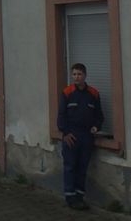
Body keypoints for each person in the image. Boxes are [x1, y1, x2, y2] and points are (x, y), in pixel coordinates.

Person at [56, 63, 104, 211]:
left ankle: (79, 197)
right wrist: (65, 133)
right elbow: (61, 115)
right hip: (71, 135)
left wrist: (97, 127)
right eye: (74, 74)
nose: (77, 77)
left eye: (79, 74)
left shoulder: (94, 93)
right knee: (70, 167)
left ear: (85, 75)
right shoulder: (67, 92)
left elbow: (99, 116)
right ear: (72, 76)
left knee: (82, 168)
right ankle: (70, 198)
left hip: (87, 136)